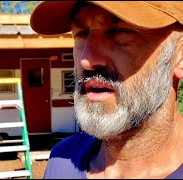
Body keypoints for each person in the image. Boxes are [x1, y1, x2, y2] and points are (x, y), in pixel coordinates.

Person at [30, 1, 183, 179]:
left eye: (120, 32)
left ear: (179, 56)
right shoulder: (62, 161)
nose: (87, 60)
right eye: (81, 33)